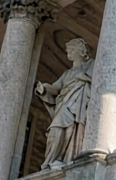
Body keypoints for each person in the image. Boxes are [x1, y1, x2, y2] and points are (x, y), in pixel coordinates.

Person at [36, 38, 93, 168]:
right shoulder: (67, 73)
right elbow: (56, 88)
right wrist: (43, 89)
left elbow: (98, 80)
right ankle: (51, 160)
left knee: (70, 129)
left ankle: (66, 159)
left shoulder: (91, 65)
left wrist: (83, 78)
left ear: (81, 51)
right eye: (68, 50)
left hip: (77, 104)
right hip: (65, 103)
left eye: (72, 50)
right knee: (55, 130)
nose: (68, 53)